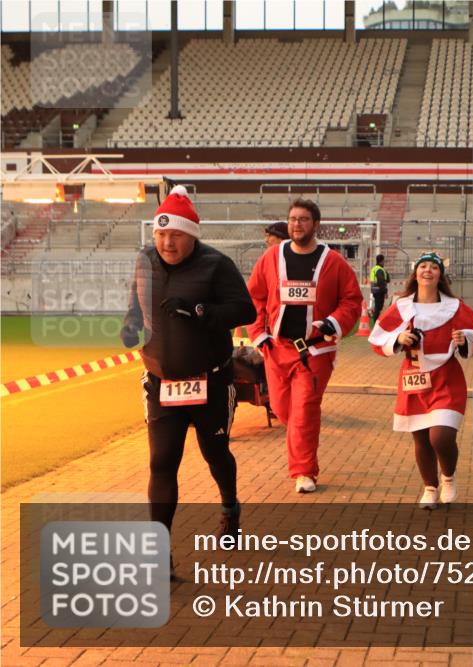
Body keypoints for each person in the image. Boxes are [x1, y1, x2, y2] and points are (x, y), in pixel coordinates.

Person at [120, 185, 256, 550]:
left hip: (210, 382)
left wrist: (202, 312)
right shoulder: (144, 260)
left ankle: (230, 506)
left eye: (176, 234)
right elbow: (137, 300)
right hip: (161, 384)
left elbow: (246, 311)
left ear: (191, 236)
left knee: (215, 454)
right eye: (161, 234)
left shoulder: (216, 265)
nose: (167, 242)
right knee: (162, 463)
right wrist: (130, 323)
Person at [247, 198, 363, 493]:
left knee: (304, 411)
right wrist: (258, 333)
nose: (297, 224)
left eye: (303, 219)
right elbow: (255, 297)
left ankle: (304, 472)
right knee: (285, 411)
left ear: (316, 225)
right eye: (293, 219)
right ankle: (300, 451)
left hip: (314, 352)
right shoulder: (272, 258)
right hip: (277, 349)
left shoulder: (333, 262)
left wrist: (332, 323)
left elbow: (351, 300)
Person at [367, 252, 473, 509]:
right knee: (421, 438)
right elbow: (378, 337)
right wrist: (398, 340)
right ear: (416, 273)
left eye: (434, 267)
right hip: (413, 378)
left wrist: (462, 341)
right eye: (423, 266)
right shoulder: (401, 306)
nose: (428, 270)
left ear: (440, 275)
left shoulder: (454, 306)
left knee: (441, 437)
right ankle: (429, 488)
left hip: (447, 379)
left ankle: (448, 477)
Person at [369, 253, 391, 322]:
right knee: (378, 308)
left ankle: (376, 322)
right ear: (382, 261)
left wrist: (385, 272)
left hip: (375, 290)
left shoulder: (375, 269)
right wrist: (385, 292)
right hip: (379, 291)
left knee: (378, 307)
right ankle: (376, 322)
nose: (384, 262)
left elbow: (387, 280)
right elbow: (381, 282)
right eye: (384, 261)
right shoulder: (380, 270)